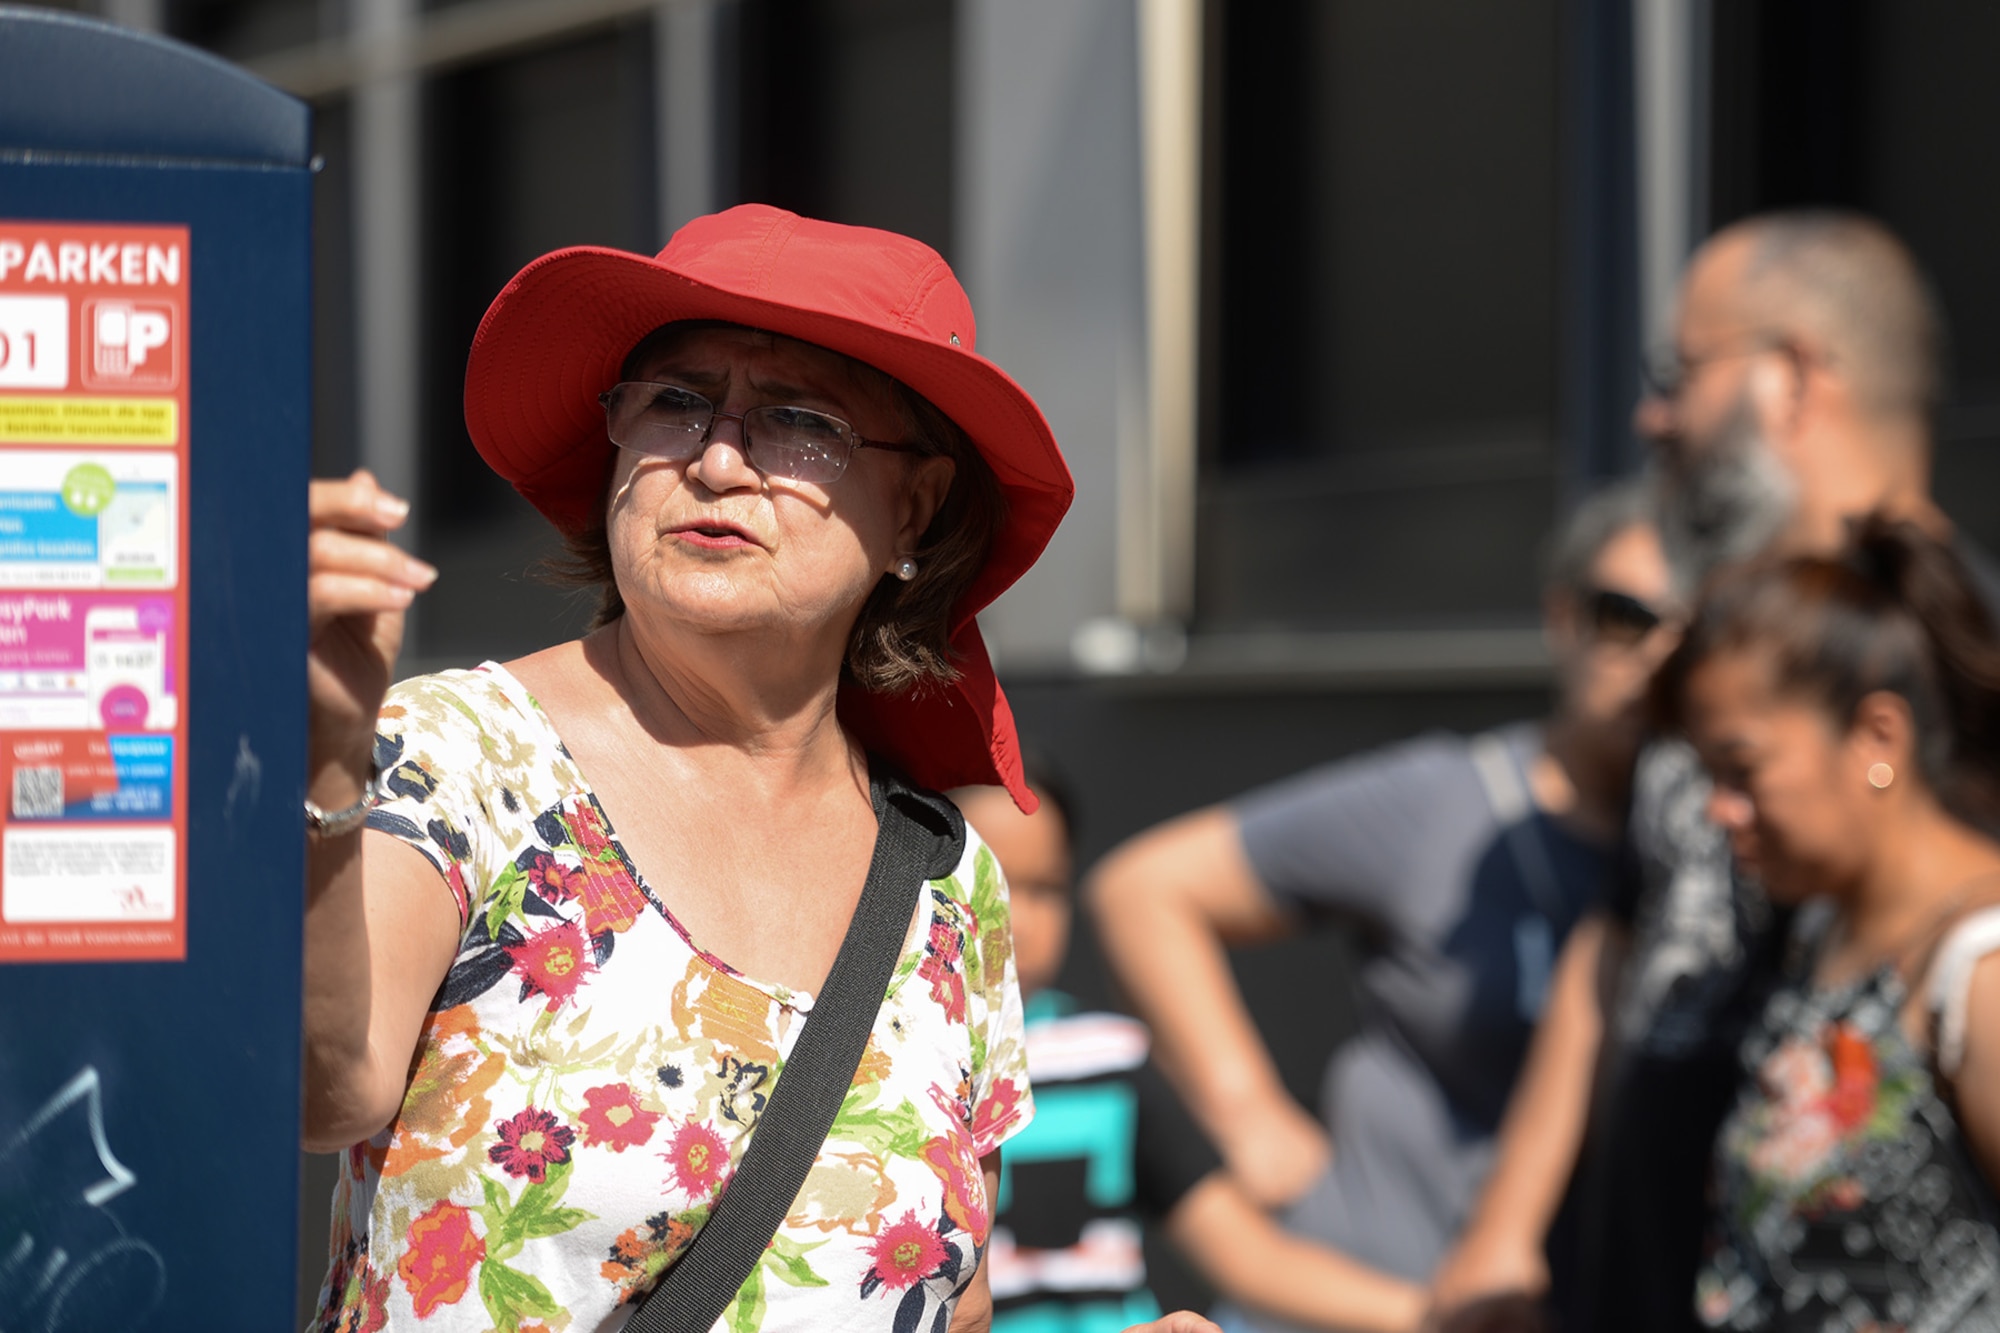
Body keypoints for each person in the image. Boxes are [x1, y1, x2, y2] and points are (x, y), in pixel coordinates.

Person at [302, 202, 1215, 1333]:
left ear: (914, 513)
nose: (719, 457)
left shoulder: (945, 881)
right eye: (676, 402)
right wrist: (324, 772)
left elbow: (943, 1302)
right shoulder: (452, 754)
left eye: (799, 421)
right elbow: (324, 1082)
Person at [1429, 210, 2000, 1332]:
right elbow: (1620, 931)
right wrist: (1503, 1222)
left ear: (1790, 376)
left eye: (1675, 371)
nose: (1651, 415)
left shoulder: (1960, 663)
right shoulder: (1722, 643)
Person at [1088, 483, 1676, 1332]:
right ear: (1563, 619)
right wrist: (1245, 1107)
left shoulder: (1720, 848)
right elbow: (1145, 889)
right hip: (1362, 1296)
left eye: (1686, 626)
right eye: (1625, 615)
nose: (1654, 652)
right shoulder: (1450, 802)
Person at [1666, 516, 2000, 1327]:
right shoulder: (1820, 930)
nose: (1719, 808)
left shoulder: (1979, 967)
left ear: (1876, 735)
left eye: (1742, 769)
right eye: (1708, 774)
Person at [961, 768, 1435, 1333]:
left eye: (1047, 889)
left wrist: (1436, 1316)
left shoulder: (1110, 1059)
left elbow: (1248, 1257)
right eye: (990, 883)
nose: (1021, 919)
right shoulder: (888, 1066)